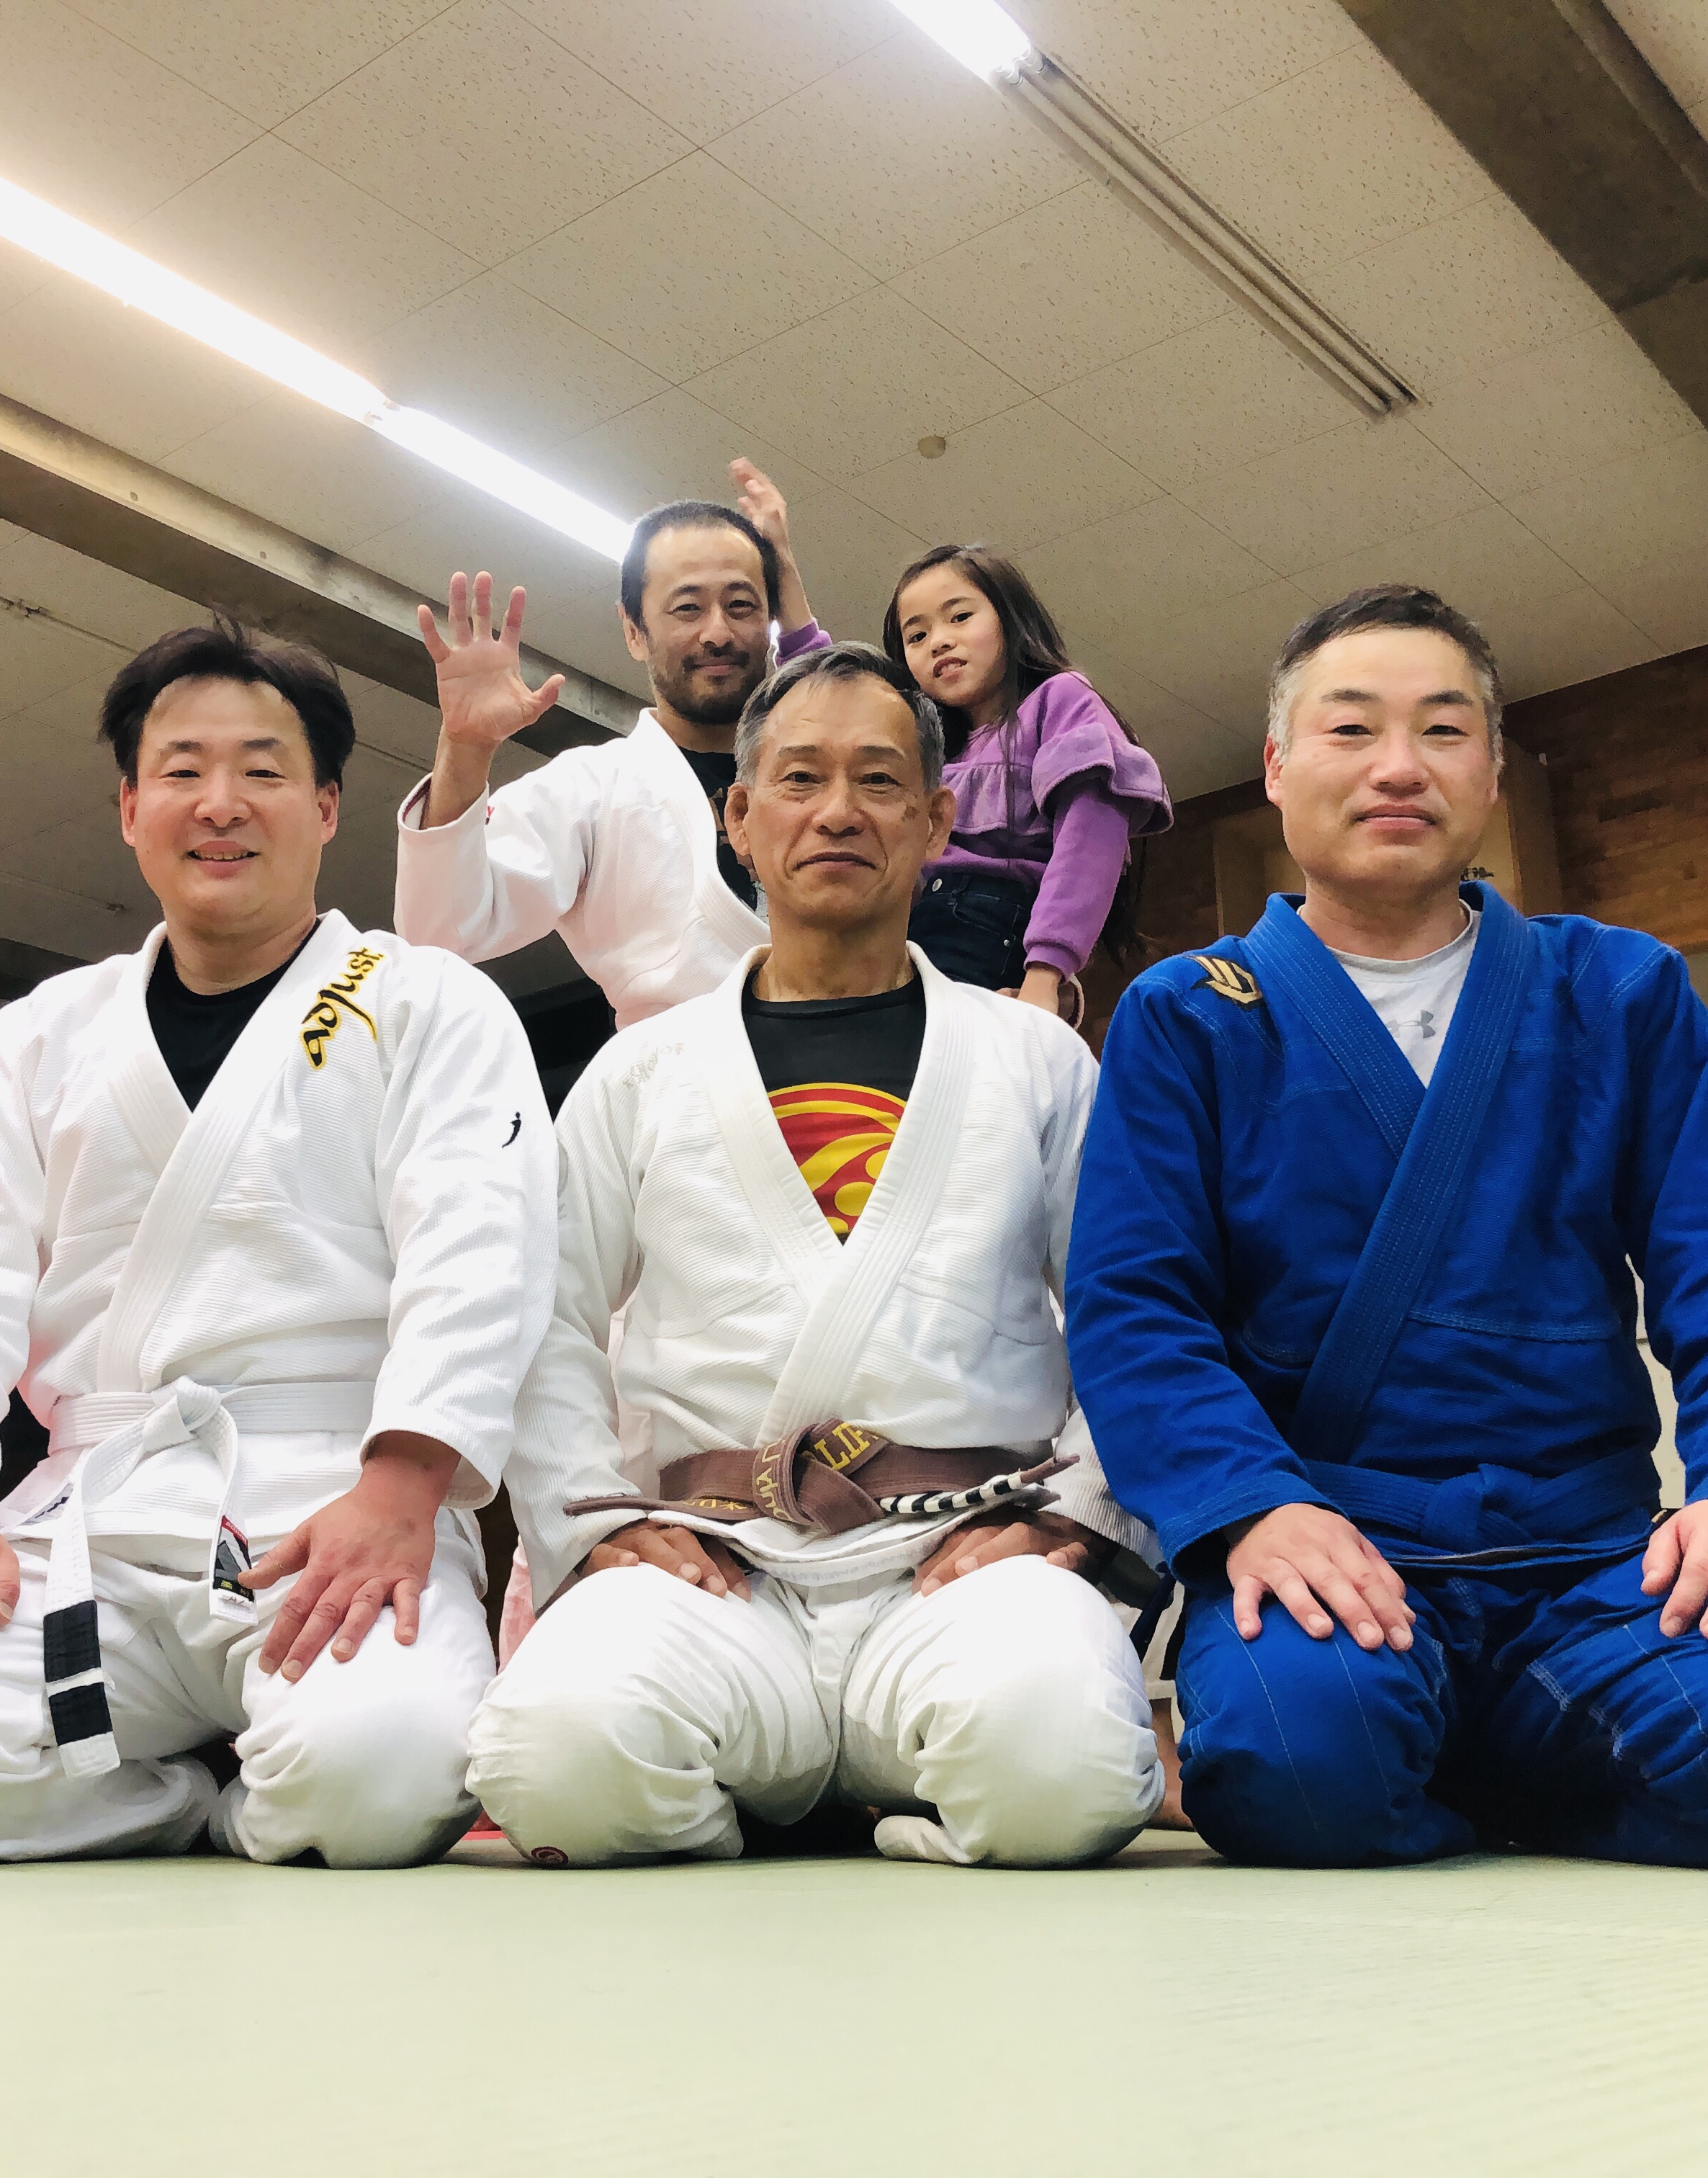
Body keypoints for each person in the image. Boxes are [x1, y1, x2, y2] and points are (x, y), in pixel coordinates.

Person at [1065, 583, 1708, 1873]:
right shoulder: (1191, 1012)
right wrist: (1251, 1508)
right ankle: (1480, 1757)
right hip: (1336, 1548)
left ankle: (1489, 1769)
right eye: (1350, 729)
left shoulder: (1619, 989)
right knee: (1296, 1761)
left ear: (1489, 771)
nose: (1397, 767)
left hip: (1596, 1557)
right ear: (1277, 770)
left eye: (1442, 729)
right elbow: (1136, 1310)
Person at [0, 618, 555, 1868]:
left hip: (337, 1504)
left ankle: (231, 1792)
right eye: (182, 770)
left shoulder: (423, 1002)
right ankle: (183, 1803)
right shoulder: (40, 1037)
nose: (220, 803)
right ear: (131, 809)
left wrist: (403, 1486)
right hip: (90, 1513)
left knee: (380, 1773)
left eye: (262, 770)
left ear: (327, 807)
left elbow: (482, 1253)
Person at [467, 642, 1167, 1868]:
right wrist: (591, 1524)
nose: (838, 810)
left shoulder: (1037, 1058)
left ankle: (849, 1805)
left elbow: (1127, 1312)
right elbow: (548, 1313)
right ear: (738, 818)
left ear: (936, 821)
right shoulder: (640, 1070)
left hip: (961, 1556)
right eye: (799, 778)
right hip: (721, 1565)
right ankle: (798, 1806)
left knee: (1068, 1771)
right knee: (552, 1757)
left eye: (878, 780)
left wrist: (1076, 1511)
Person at [394, 462, 832, 1026]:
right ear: (633, 631)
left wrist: (786, 568)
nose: (718, 632)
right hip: (679, 1069)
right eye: (688, 608)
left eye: (741, 605)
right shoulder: (590, 788)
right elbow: (441, 933)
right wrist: (466, 746)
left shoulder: (831, 774)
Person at [884, 544, 1172, 1023]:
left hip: (987, 929)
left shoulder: (1059, 698)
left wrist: (1045, 974)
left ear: (1010, 618)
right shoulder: (932, 752)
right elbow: (834, 721)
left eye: (960, 617)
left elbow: (1089, 838)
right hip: (909, 936)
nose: (939, 642)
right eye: (917, 635)